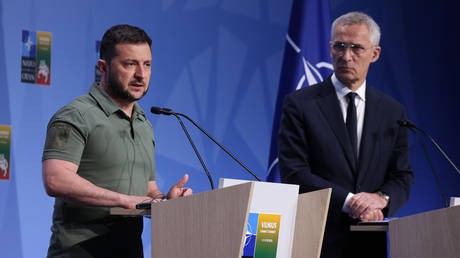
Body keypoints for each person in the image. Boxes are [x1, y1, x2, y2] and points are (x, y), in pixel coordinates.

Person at [42, 24, 192, 258]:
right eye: (130, 64)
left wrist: (166, 202)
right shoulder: (77, 115)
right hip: (79, 252)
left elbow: (149, 189)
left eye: (147, 65)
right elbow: (55, 179)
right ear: (103, 67)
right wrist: (124, 200)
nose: (141, 74)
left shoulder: (143, 123)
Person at [278, 12, 414, 258]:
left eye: (356, 48)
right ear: (330, 48)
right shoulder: (301, 104)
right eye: (339, 46)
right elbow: (294, 171)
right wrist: (351, 201)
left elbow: (402, 175)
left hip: (369, 244)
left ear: (375, 53)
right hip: (316, 239)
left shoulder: (393, 111)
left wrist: (381, 200)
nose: (346, 56)